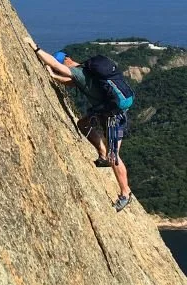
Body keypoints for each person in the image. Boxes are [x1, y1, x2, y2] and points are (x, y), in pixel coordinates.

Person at [27, 39, 133, 212]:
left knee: (115, 156)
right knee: (83, 124)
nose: (59, 68)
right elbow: (72, 82)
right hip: (108, 112)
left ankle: (125, 193)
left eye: (60, 66)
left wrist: (35, 48)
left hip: (113, 117)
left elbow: (55, 64)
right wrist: (54, 77)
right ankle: (102, 154)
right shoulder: (87, 70)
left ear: (64, 63)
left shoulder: (78, 73)